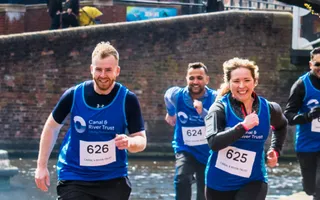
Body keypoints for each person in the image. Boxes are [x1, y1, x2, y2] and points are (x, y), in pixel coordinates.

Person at [34, 42, 147, 200]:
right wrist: (41, 166)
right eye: (98, 69)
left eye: (108, 70)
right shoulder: (73, 95)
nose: (102, 75)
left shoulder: (127, 99)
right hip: (75, 176)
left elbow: (141, 141)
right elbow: (52, 127)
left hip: (113, 179)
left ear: (117, 71)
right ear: (91, 69)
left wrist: (129, 142)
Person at [204, 57, 287, 200]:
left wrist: (275, 149)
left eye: (247, 80)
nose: (242, 85)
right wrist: (243, 127)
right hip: (219, 183)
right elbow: (214, 142)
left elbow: (281, 126)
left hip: (253, 180)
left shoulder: (269, 108)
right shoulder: (219, 108)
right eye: (236, 81)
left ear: (255, 82)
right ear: (229, 84)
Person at [164, 62, 217, 200]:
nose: (195, 81)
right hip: (185, 147)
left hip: (207, 151)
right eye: (191, 78)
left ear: (207, 79)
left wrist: (203, 112)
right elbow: (167, 96)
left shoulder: (214, 98)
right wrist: (170, 113)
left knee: (203, 190)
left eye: (199, 78)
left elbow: (218, 123)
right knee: (181, 178)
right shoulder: (178, 95)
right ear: (186, 79)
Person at [284, 47, 320, 200]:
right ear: (310, 64)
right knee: (310, 187)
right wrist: (308, 116)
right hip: (307, 145)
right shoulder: (301, 85)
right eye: (318, 64)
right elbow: (288, 116)